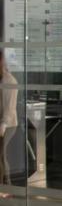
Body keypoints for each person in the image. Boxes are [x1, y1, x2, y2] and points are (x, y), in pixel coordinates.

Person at [0, 49, 17, 184]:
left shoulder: (9, 80)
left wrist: (3, 124)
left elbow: (10, 106)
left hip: (7, 124)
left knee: (0, 155)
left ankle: (6, 185)